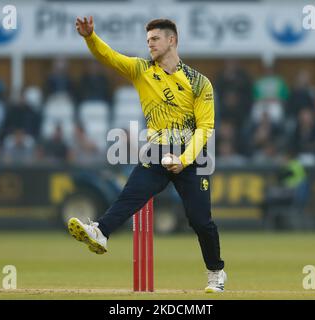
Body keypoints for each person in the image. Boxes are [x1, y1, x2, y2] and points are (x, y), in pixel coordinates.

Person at [68, 16, 226, 293]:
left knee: (200, 220)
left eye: (155, 39)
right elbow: (110, 57)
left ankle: (216, 273)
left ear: (172, 40)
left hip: (194, 155)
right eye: (148, 40)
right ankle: (101, 233)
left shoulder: (200, 83)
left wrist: (184, 159)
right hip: (158, 149)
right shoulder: (142, 70)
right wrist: (90, 37)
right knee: (132, 194)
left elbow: (205, 127)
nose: (149, 44)